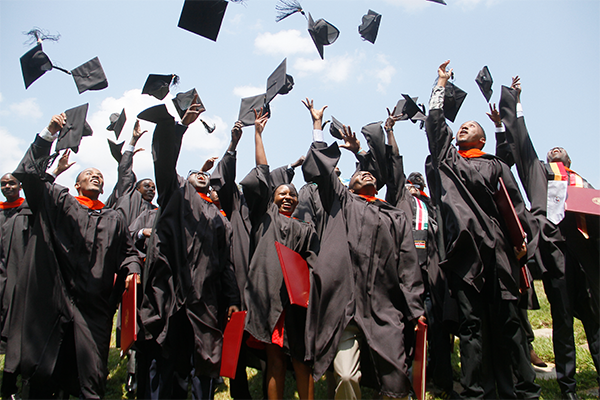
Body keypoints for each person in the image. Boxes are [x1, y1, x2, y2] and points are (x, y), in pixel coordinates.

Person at [424, 60, 540, 399]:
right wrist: (440, 86)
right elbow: (436, 127)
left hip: (500, 253)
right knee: (471, 327)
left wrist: (522, 244)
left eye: (470, 126)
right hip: (465, 256)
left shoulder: (496, 165)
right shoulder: (449, 162)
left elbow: (517, 209)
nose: (462, 128)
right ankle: (476, 392)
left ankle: (523, 389)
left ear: (483, 136)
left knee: (509, 324)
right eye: (460, 126)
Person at [8, 113, 141, 399]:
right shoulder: (60, 203)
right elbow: (31, 178)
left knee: (90, 381)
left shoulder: (113, 218)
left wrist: (132, 270)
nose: (96, 175)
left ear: (104, 188)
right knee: (43, 378)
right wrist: (49, 133)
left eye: (100, 176)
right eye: (89, 174)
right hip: (52, 303)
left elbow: (128, 252)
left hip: (93, 307)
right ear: (77, 184)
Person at [302, 98, 423, 400]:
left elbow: (408, 265)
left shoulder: (393, 215)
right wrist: (317, 126)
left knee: (396, 383)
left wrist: (416, 309)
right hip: (344, 307)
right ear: (349, 185)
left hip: (383, 307)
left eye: (369, 174)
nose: (366, 175)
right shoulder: (342, 203)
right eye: (358, 175)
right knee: (344, 375)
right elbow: (322, 169)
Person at [495, 77, 599, 399]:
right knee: (563, 321)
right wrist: (515, 102)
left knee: (595, 321)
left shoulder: (584, 185)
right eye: (552, 149)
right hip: (556, 254)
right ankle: (568, 386)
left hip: (587, 260)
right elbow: (522, 143)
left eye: (561, 149)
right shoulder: (540, 172)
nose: (555, 149)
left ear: (570, 161)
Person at [138, 100, 240, 400]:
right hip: (167, 294)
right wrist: (181, 126)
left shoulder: (221, 221)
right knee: (162, 360)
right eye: (195, 173)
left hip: (203, 299)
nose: (202, 175)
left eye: (205, 176)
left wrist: (232, 299)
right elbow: (165, 162)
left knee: (202, 366)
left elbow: (226, 265)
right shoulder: (175, 194)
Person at [240, 109, 319, 400]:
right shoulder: (265, 217)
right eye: (281, 193)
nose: (287, 196)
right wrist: (258, 134)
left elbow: (312, 262)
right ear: (272, 198)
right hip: (270, 297)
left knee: (301, 358)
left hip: (296, 303)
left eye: (292, 195)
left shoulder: (306, 228)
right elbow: (261, 174)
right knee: (275, 359)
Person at [383, 109, 456, 398]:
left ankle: (442, 379)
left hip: (433, 274)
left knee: (437, 328)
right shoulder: (400, 200)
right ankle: (407, 382)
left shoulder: (434, 206)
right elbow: (395, 167)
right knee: (406, 328)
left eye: (418, 185)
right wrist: (391, 134)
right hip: (405, 275)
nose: (414, 188)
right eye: (411, 184)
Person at [0, 173, 32, 399]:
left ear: (20, 186)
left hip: (20, 277)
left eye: (11, 183)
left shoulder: (27, 211)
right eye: (3, 184)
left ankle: (15, 383)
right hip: (2, 278)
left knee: (20, 332)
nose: (7, 187)